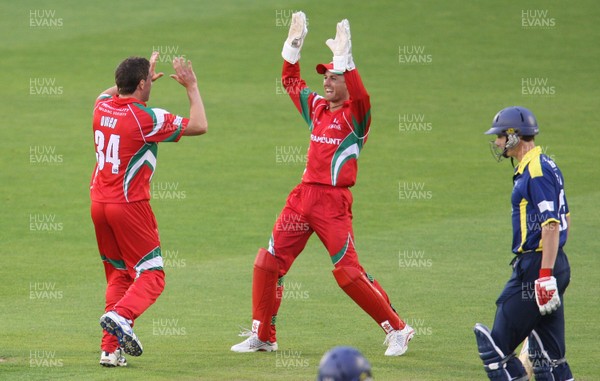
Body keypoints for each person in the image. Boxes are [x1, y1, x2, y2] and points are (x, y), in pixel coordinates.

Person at [231, 12, 414, 357]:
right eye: (326, 76)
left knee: (348, 273)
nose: (327, 82)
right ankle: (264, 335)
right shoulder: (317, 109)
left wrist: (347, 59)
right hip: (301, 197)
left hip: (333, 203)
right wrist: (293, 45)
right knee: (268, 263)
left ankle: (398, 329)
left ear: (347, 82)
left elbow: (361, 96)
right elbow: (290, 82)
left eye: (334, 77)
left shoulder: (356, 117)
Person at [90, 52, 207, 367]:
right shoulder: (146, 118)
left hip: (99, 204)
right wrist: (191, 86)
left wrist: (131, 83)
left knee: (119, 274)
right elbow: (199, 125)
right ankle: (121, 315)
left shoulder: (101, 108)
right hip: (129, 206)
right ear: (143, 84)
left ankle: (110, 350)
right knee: (152, 274)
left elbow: (106, 93)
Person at [474, 106, 573, 380]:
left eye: (499, 137)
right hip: (554, 264)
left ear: (514, 136)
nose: (496, 143)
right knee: (552, 361)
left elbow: (551, 224)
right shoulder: (546, 164)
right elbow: (566, 218)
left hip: (536, 267)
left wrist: (543, 275)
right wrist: (553, 271)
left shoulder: (537, 170)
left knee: (497, 351)